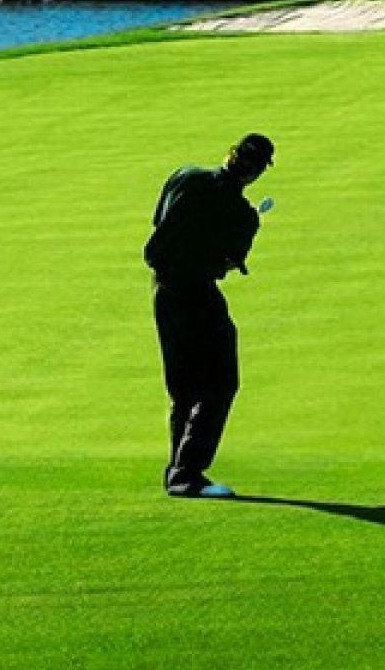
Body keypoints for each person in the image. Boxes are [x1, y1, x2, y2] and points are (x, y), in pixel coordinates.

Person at [144, 133, 275, 499]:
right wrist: (247, 226)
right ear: (256, 173)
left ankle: (177, 471)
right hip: (196, 292)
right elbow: (228, 263)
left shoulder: (184, 176)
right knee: (220, 382)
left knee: (184, 387)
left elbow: (160, 222)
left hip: (163, 290)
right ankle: (186, 473)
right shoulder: (243, 216)